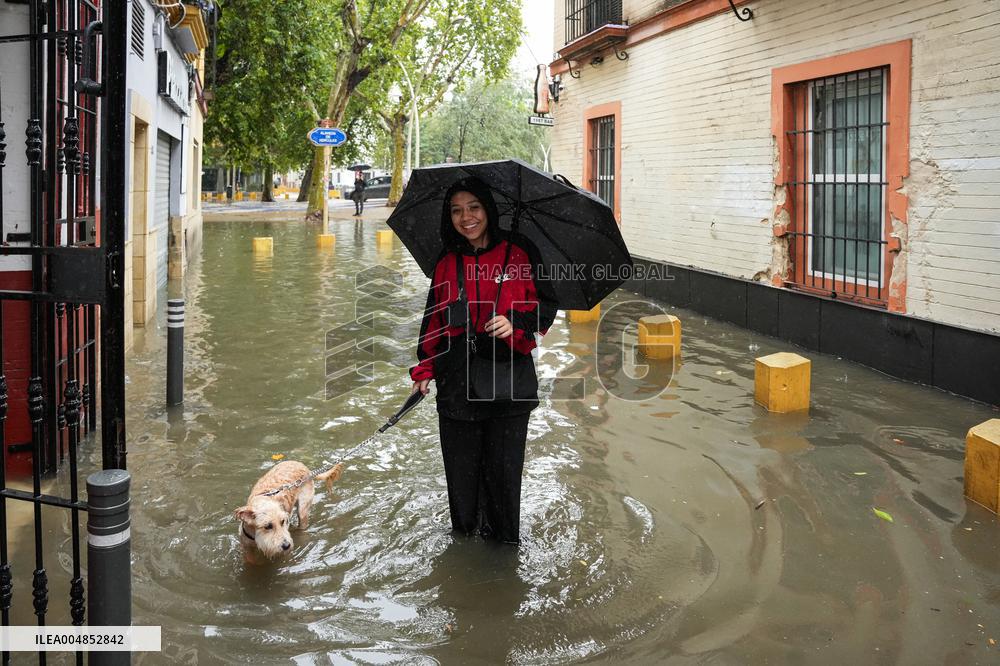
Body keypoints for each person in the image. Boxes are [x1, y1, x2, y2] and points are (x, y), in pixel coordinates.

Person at [410, 177, 556, 544]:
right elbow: (434, 318)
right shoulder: (447, 260)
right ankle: (463, 546)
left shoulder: (520, 251)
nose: (466, 217)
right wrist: (424, 369)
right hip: (457, 383)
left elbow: (546, 304)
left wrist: (515, 323)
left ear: (488, 209)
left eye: (474, 207)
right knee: (461, 479)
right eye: (456, 210)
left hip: (509, 381)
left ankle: (503, 549)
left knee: (504, 480)